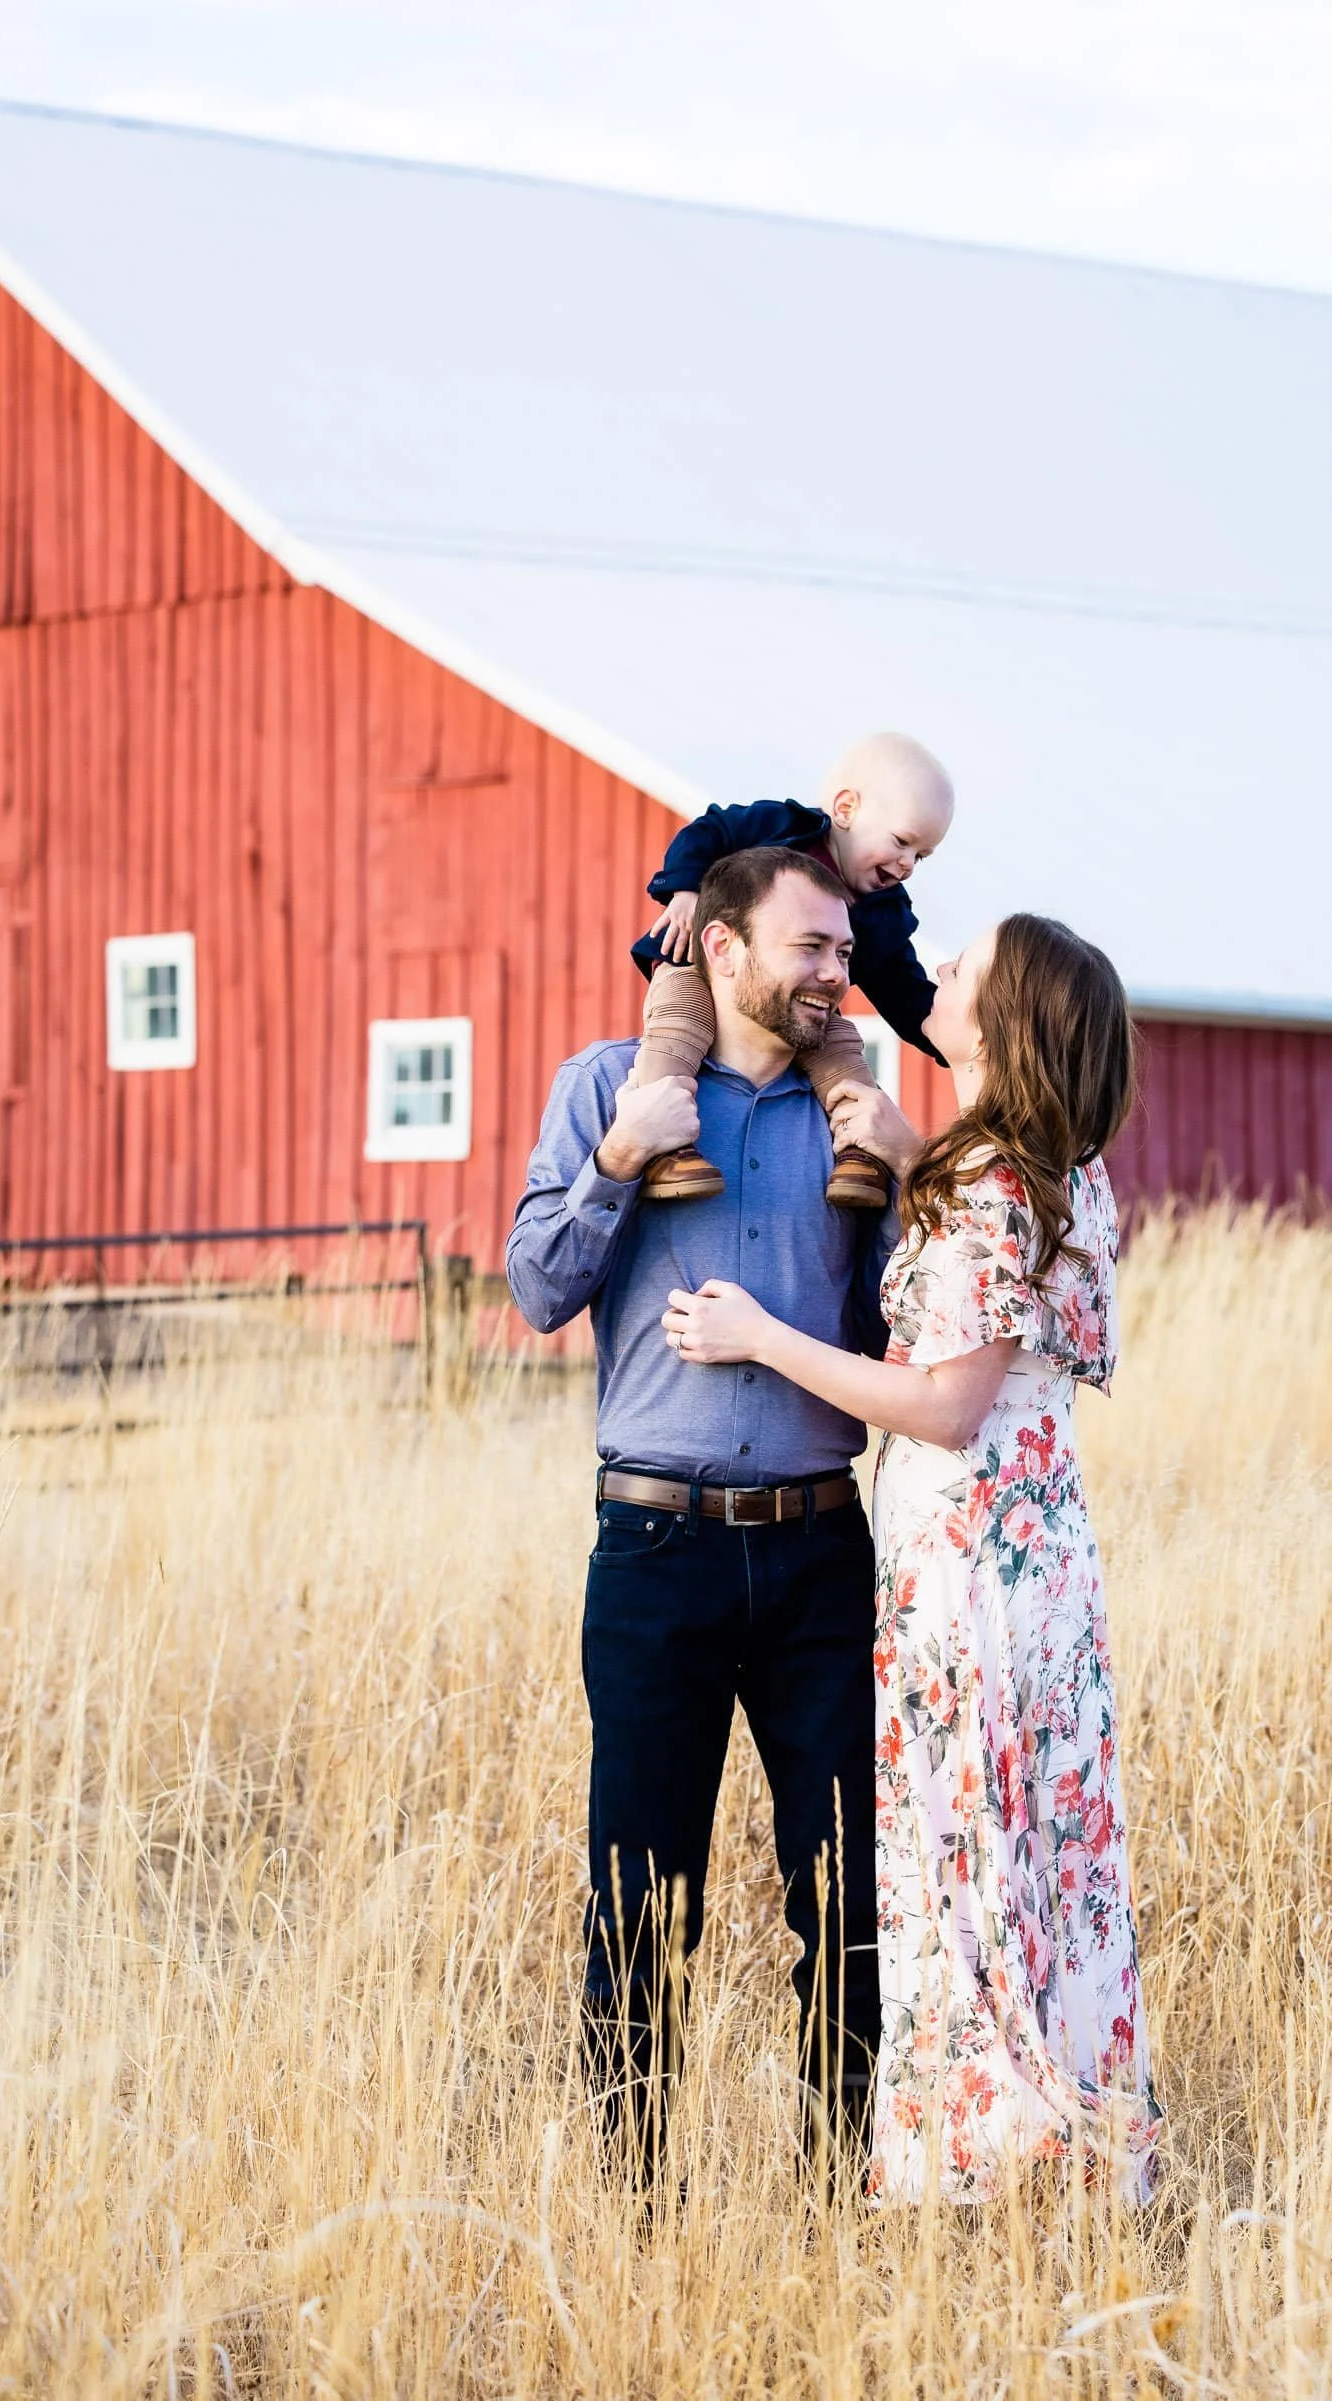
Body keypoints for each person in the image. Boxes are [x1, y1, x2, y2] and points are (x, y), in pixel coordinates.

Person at [663, 913, 1163, 2205]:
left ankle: (992, 2157)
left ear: (999, 1027)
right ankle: (1057, 2139)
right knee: (1042, 1853)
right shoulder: (1049, 1168)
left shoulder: (998, 1183)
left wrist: (759, 1335)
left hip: (973, 1565)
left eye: (961, 973)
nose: (931, 977)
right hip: (1035, 1552)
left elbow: (942, 1401)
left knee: (968, 1851)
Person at [505, 845, 924, 2192]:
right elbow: (533, 1287)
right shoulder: (601, 1088)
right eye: (808, 946)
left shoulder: (856, 1113)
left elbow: (912, 1329)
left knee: (849, 1896)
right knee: (638, 1899)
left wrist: (914, 1186)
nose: (834, 970)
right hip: (655, 1548)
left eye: (841, 948)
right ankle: (638, 2214)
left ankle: (834, 2199)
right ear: (722, 951)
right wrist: (622, 1156)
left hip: (820, 1549)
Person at [630, 731, 953, 1210]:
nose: (907, 864)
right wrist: (686, 890)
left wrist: (959, 1038)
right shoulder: (779, 827)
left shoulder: (882, 912)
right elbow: (709, 831)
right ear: (845, 810)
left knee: (843, 1050)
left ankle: (861, 1155)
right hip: (694, 967)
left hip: (801, 1010)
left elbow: (906, 993)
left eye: (921, 856)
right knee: (678, 1024)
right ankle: (663, 1147)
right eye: (902, 842)